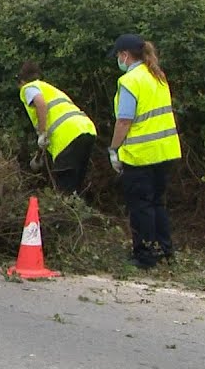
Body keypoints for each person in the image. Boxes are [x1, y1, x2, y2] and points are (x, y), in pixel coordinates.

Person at [107, 34, 182, 269]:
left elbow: (124, 121)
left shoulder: (130, 81)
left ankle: (145, 256)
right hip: (164, 151)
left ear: (125, 55)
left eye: (118, 56)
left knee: (141, 207)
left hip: (140, 154)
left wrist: (113, 149)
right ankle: (164, 251)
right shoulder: (157, 76)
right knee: (157, 204)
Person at [17, 61, 98, 194]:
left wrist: (42, 133)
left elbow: (40, 104)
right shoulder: (49, 88)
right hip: (86, 130)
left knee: (64, 187)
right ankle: (77, 210)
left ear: (21, 81)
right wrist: (39, 155)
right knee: (75, 185)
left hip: (68, 137)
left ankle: (65, 212)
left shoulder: (28, 88)